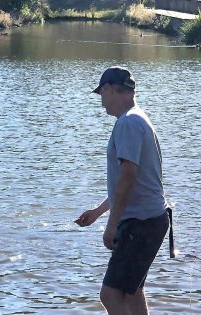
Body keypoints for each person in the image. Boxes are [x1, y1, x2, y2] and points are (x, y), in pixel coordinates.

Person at [74, 67, 170, 315]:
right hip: (151, 220)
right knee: (132, 291)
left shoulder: (128, 122)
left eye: (102, 95)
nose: (102, 103)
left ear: (109, 89)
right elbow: (128, 181)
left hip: (141, 223)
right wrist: (98, 211)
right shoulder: (136, 118)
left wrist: (112, 225)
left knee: (110, 295)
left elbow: (128, 177)